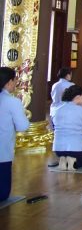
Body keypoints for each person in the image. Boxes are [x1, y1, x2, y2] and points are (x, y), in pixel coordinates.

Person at [52, 85, 82, 170]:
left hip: (58, 149)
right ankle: (73, 163)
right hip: (77, 149)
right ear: (78, 97)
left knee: (69, 154)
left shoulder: (56, 109)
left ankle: (64, 160)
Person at [0, 67, 30, 202]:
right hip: (3, 153)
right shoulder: (12, 101)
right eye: (15, 80)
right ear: (9, 82)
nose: (16, 82)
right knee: (3, 194)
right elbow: (23, 126)